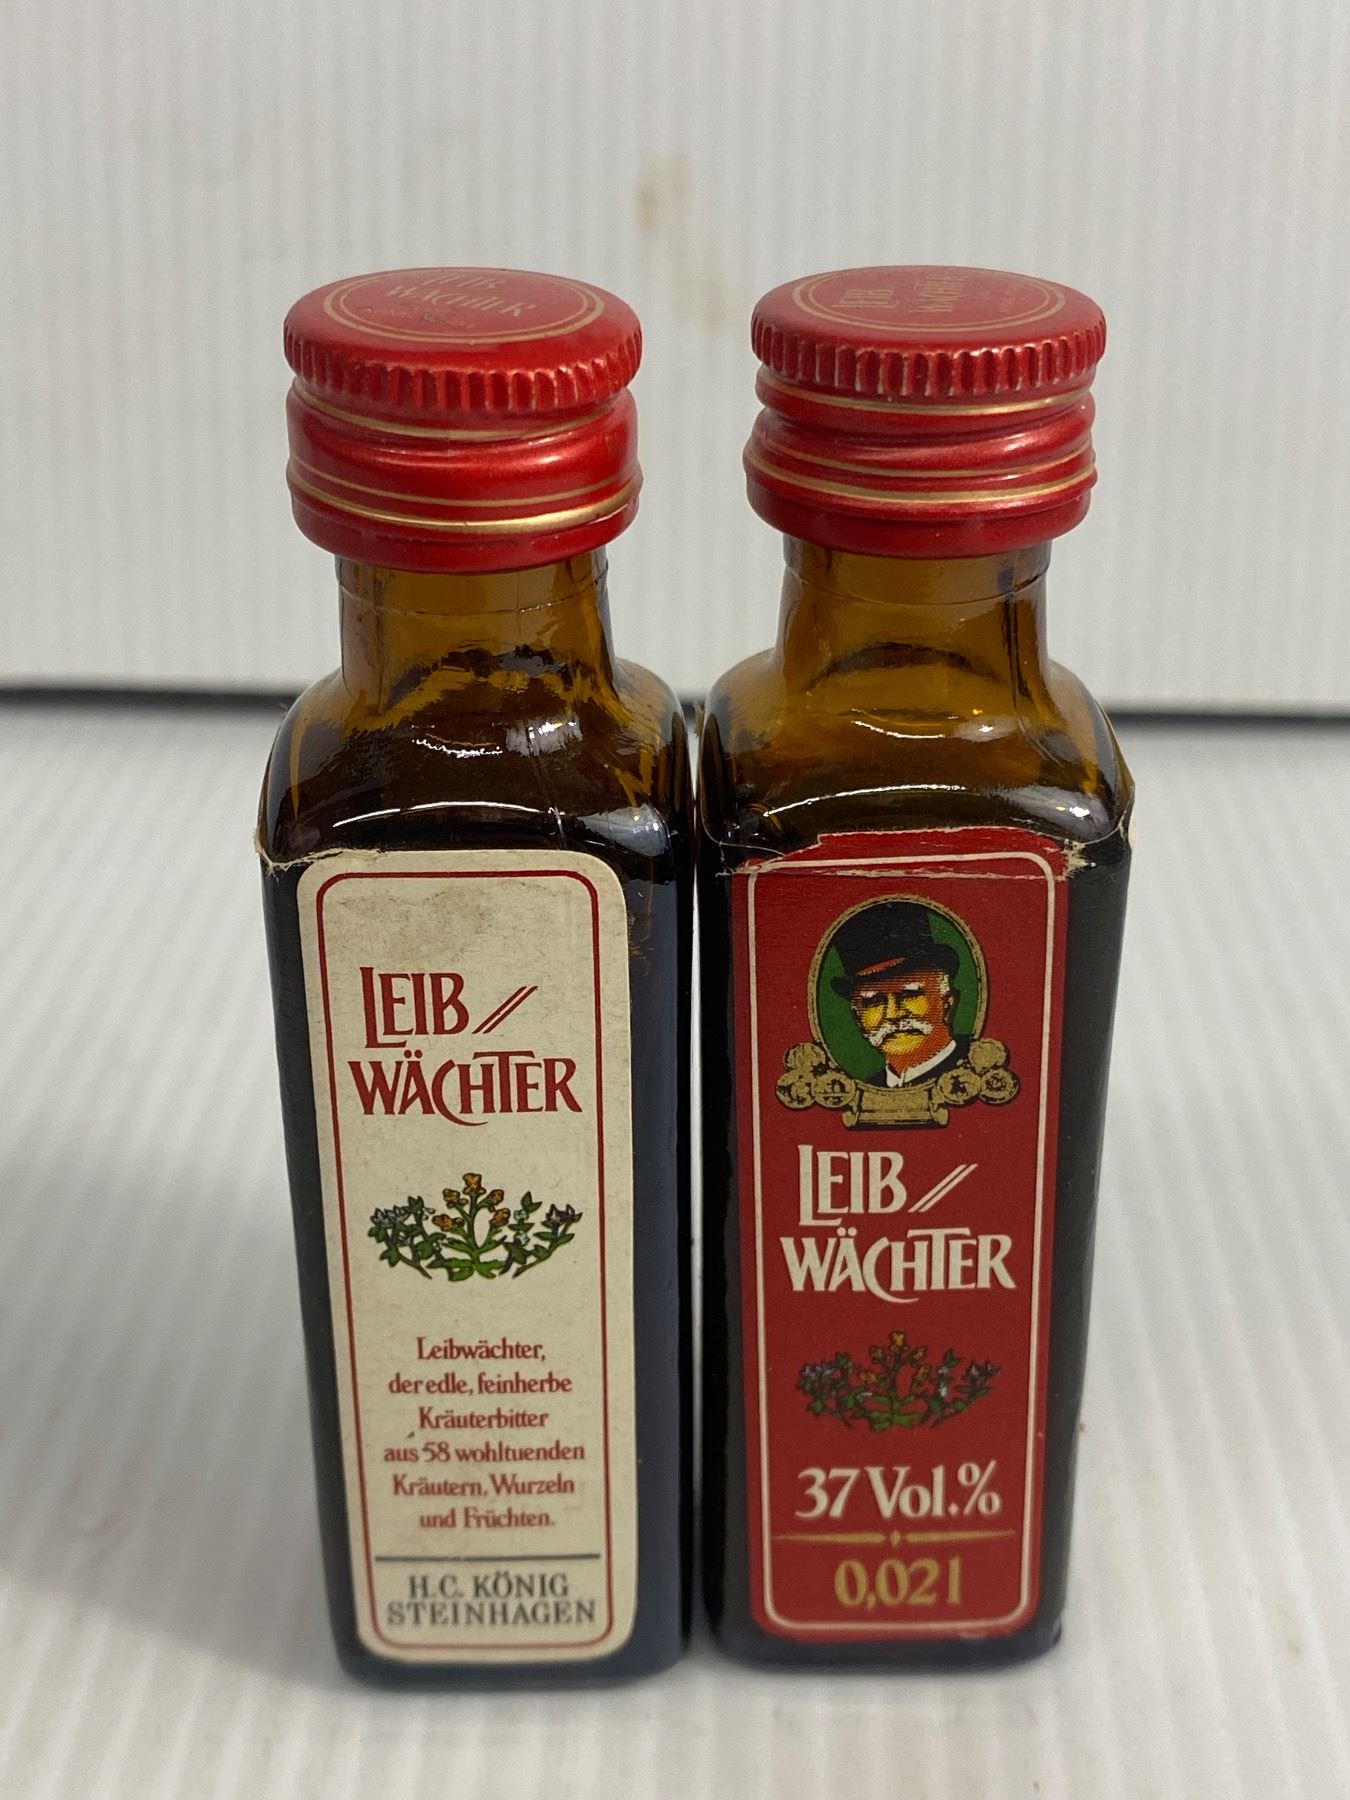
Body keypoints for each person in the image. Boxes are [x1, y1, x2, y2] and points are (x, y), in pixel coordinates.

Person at [830, 904, 970, 1089]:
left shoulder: (974, 1067)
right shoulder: (865, 1090)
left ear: (947, 1003)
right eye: (874, 1002)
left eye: (909, 995)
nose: (893, 1014)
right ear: (858, 1020)